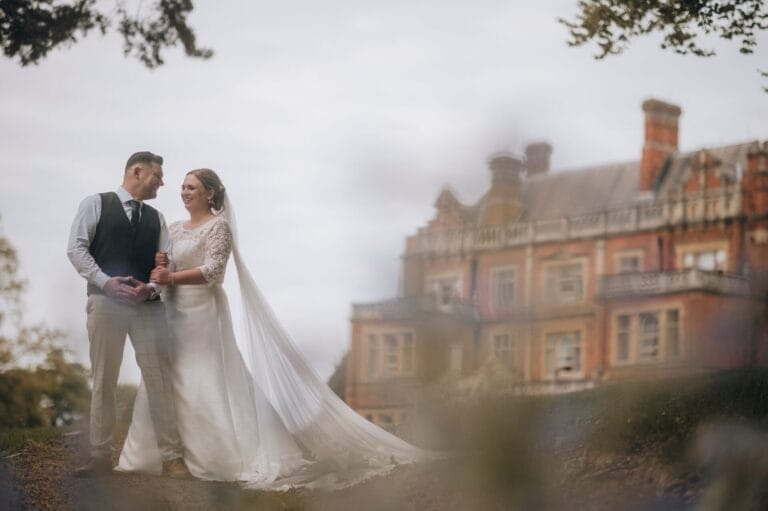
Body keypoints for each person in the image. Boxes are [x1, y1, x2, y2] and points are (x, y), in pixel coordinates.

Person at [116, 168, 429, 489]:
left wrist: (172, 278)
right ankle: (161, 454)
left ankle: (213, 455)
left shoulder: (218, 227)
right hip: (172, 310)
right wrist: (161, 270)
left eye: (191, 187)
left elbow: (214, 272)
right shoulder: (175, 228)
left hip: (202, 312)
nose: (184, 192)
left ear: (209, 193)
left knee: (200, 375)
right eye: (182, 187)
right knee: (167, 375)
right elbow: (165, 266)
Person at [67, 151, 191, 478]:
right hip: (105, 303)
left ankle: (172, 458)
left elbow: (167, 263)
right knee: (104, 378)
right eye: (157, 176)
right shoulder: (95, 203)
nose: (162, 183)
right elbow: (76, 248)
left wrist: (149, 288)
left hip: (148, 307)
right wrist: (105, 282)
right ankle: (99, 456)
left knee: (159, 380)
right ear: (137, 171)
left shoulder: (157, 218)